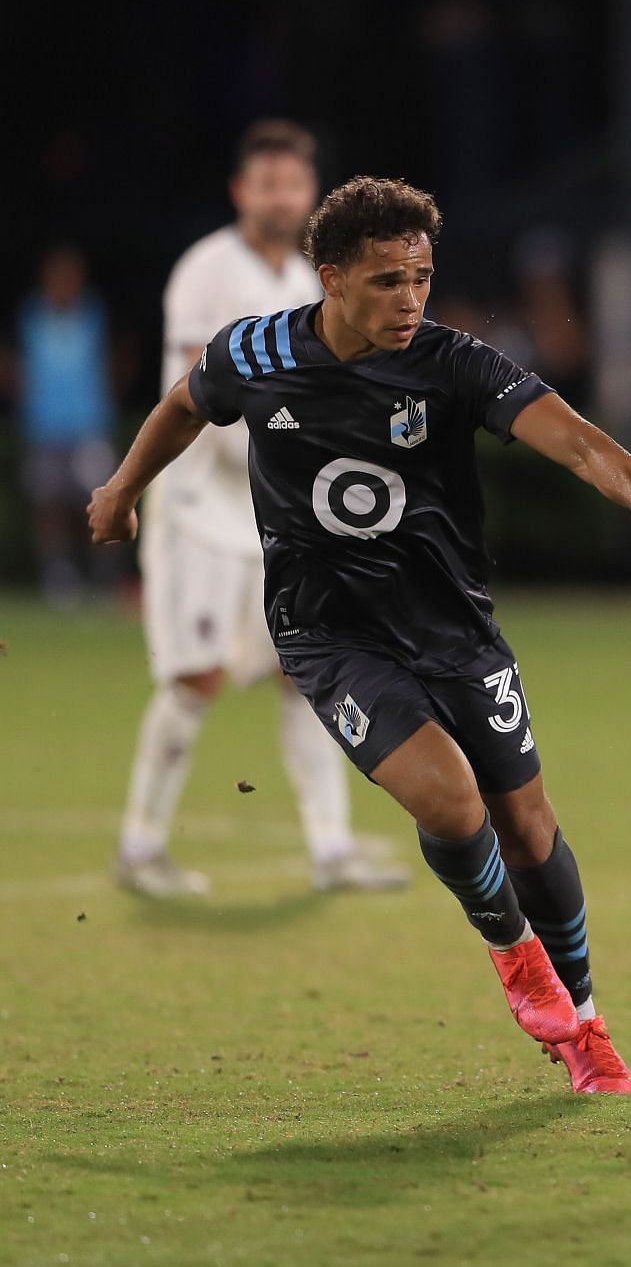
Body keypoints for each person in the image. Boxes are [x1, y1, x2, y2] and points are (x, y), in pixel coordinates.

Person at [89, 177, 631, 1093]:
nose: (411, 300)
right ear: (331, 278)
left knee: (529, 825)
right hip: (329, 635)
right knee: (451, 800)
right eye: (388, 280)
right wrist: (122, 488)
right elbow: (185, 404)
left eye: (422, 278)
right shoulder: (257, 353)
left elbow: (580, 441)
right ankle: (517, 957)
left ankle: (586, 1020)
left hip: (455, 629)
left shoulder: (454, 363)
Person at [117, 120, 409, 898]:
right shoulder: (205, 271)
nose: (282, 196)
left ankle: (332, 847)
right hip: (201, 510)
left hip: (276, 515)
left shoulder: (312, 283)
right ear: (243, 191)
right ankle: (141, 846)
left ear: (311, 193)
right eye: (267, 183)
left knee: (303, 673)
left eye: (294, 183)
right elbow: (194, 395)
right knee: (197, 678)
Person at [17, 245, 118, 608]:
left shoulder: (93, 315)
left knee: (100, 503)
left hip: (88, 427)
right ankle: (60, 579)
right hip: (45, 429)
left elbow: (107, 364)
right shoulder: (32, 317)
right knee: (49, 506)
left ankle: (105, 580)